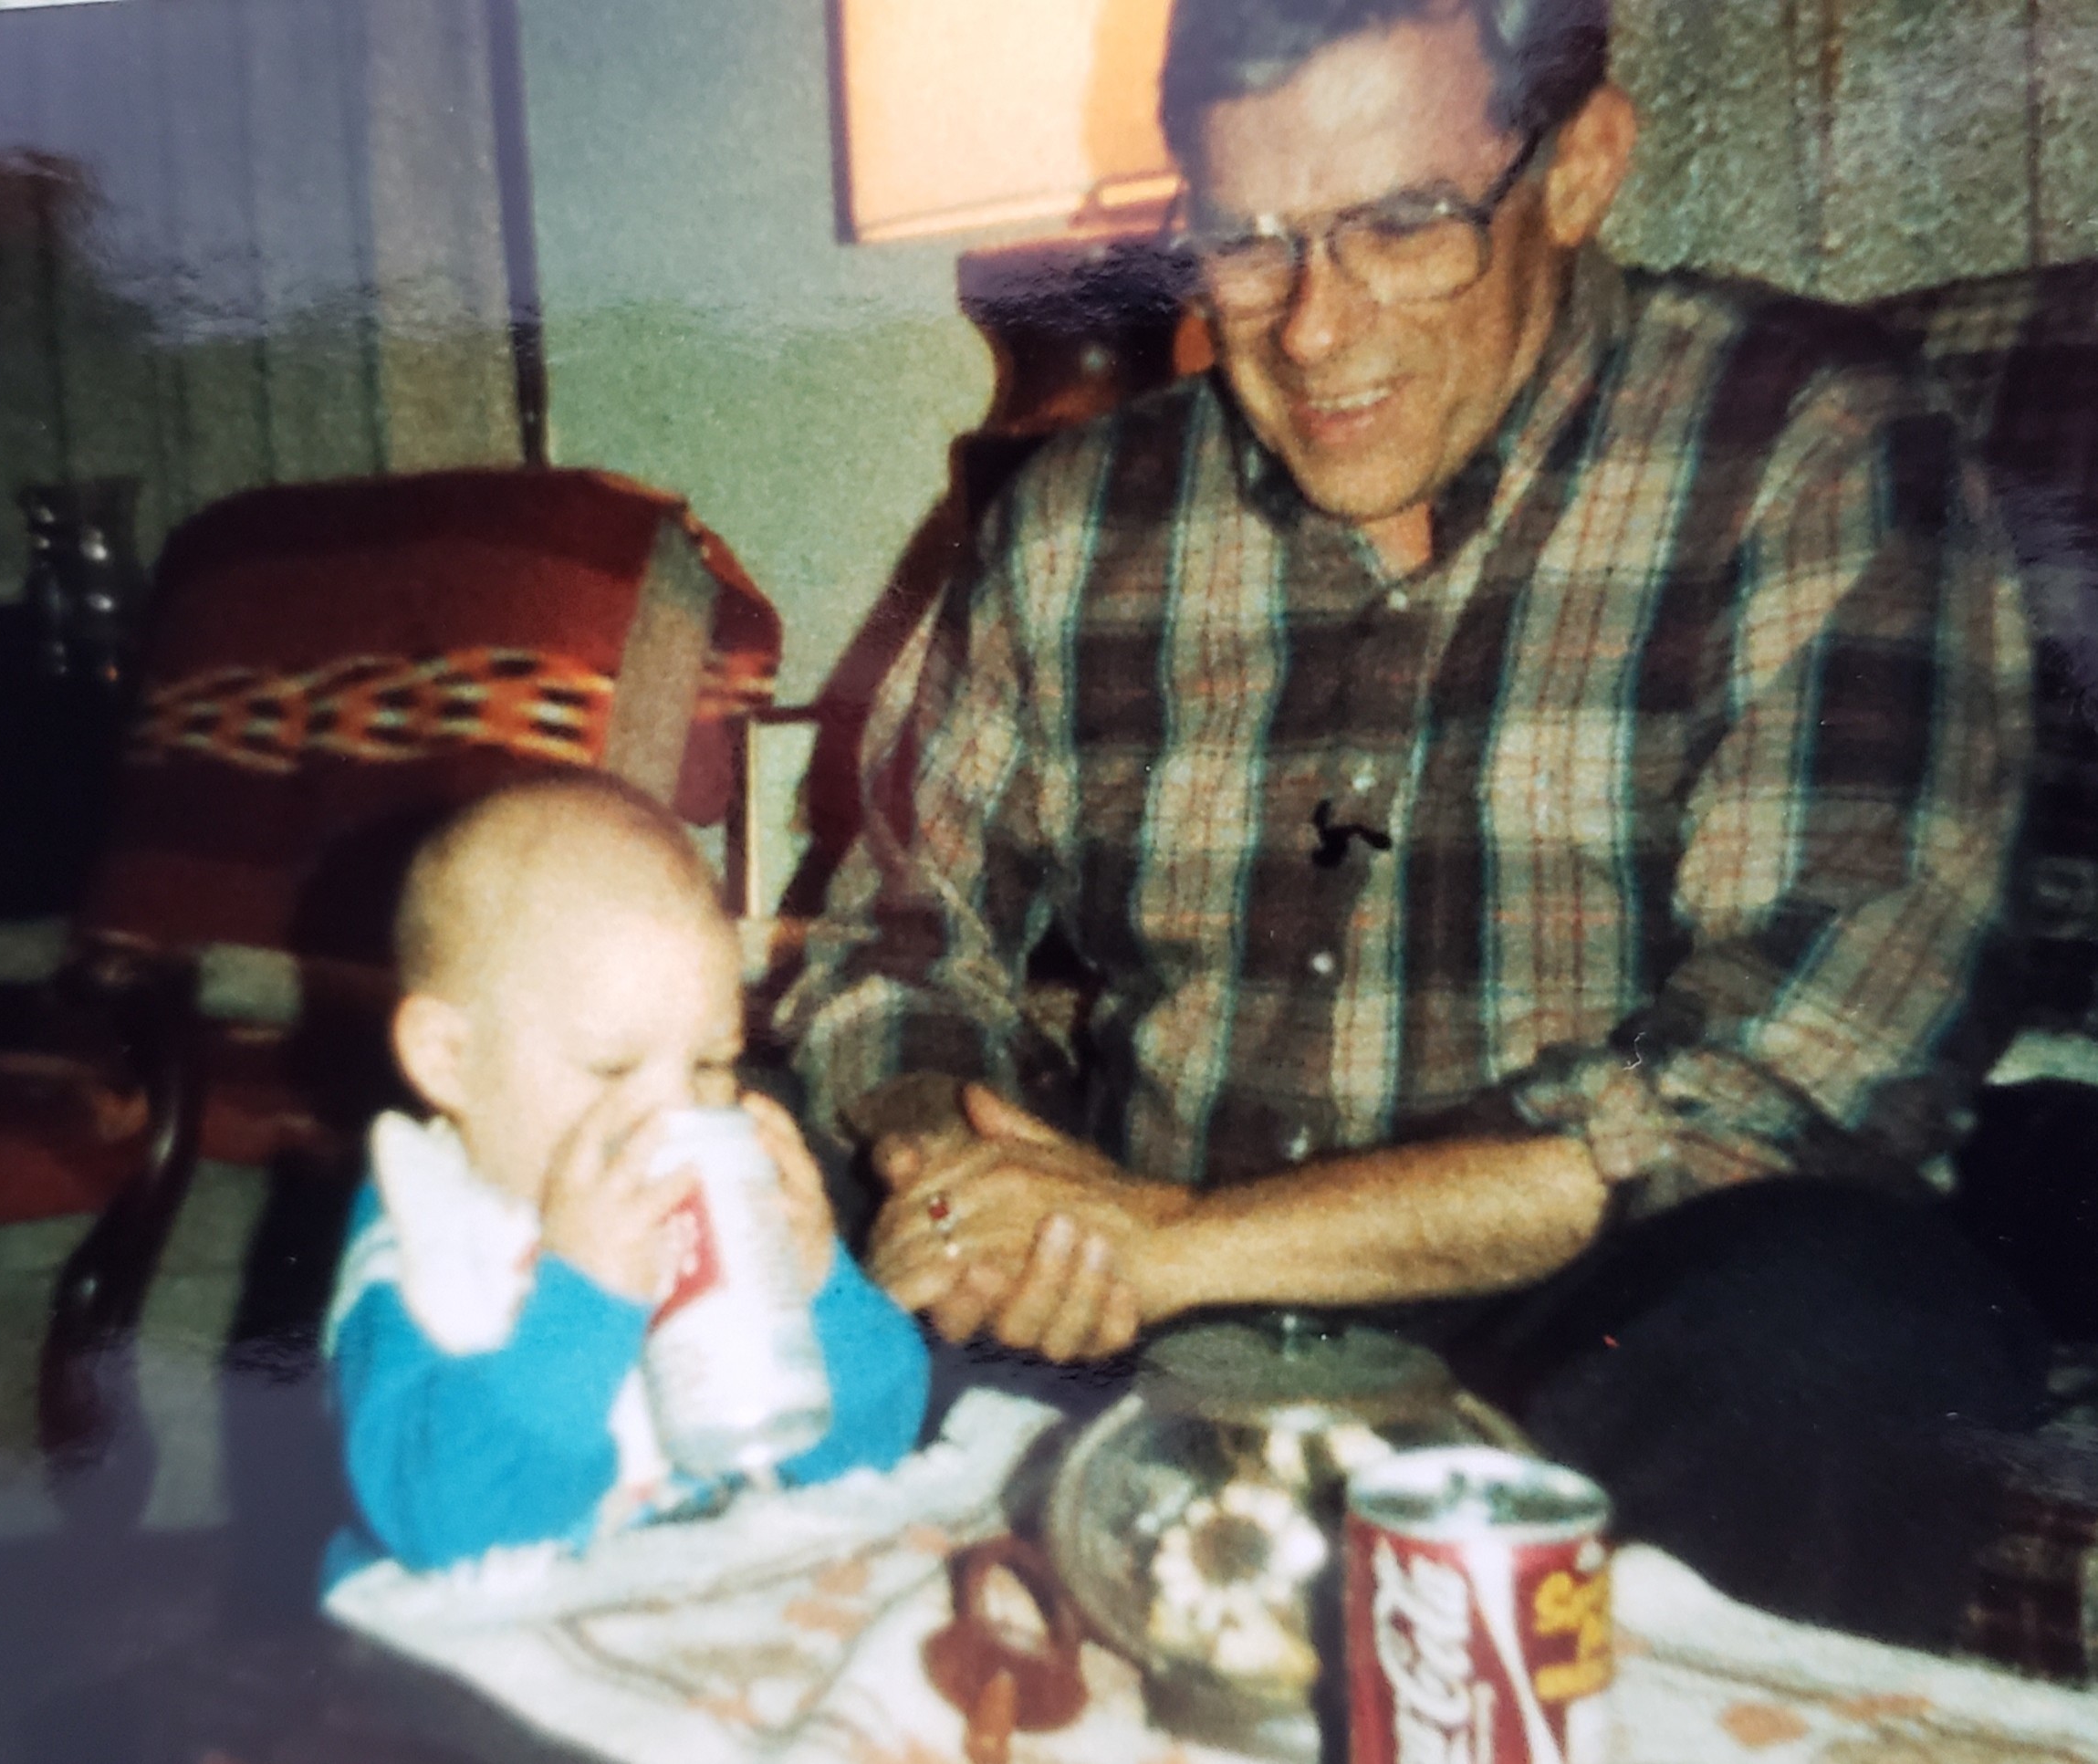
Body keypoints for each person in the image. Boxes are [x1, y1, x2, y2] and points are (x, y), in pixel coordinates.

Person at [780, 0, 2046, 1644]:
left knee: (1838, 1318)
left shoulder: (1809, 443)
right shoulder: (1076, 518)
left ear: (1577, 168)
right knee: (713, 1203)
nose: (1313, 328)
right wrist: (954, 1170)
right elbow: (893, 939)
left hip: (1572, 1331)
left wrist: (1185, 1242)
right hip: (1132, 1335)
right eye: (1245, 241)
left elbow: (1786, 1083)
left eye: (1401, 223)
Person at [324, 777, 928, 1580]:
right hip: (474, 1637)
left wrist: (822, 1291)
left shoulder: (713, 1213)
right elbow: (450, 1526)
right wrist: (586, 1299)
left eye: (710, 1063)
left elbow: (871, 1455)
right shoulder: (423, 1239)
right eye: (612, 1068)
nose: (676, 1115)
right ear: (450, 1058)